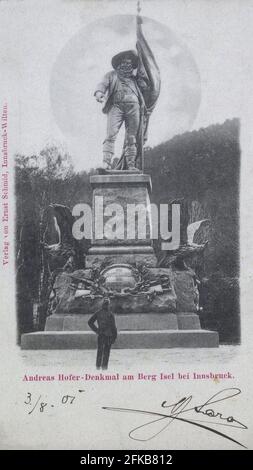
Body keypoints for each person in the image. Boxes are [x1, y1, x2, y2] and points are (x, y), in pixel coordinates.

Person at [94, 49, 149, 171]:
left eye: (129, 62)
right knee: (110, 135)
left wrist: (142, 73)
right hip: (116, 107)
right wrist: (99, 93)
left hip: (134, 108)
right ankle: (106, 163)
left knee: (132, 137)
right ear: (119, 63)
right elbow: (102, 84)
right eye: (124, 62)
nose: (126, 64)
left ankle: (131, 165)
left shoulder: (135, 79)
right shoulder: (111, 75)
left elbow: (145, 86)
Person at [88, 298, 117, 370]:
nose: (106, 305)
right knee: (106, 352)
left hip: (102, 334)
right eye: (106, 304)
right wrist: (114, 337)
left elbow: (90, 322)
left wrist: (97, 330)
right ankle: (103, 367)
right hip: (108, 335)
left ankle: (98, 366)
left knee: (100, 351)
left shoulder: (99, 313)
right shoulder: (110, 314)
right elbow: (113, 327)